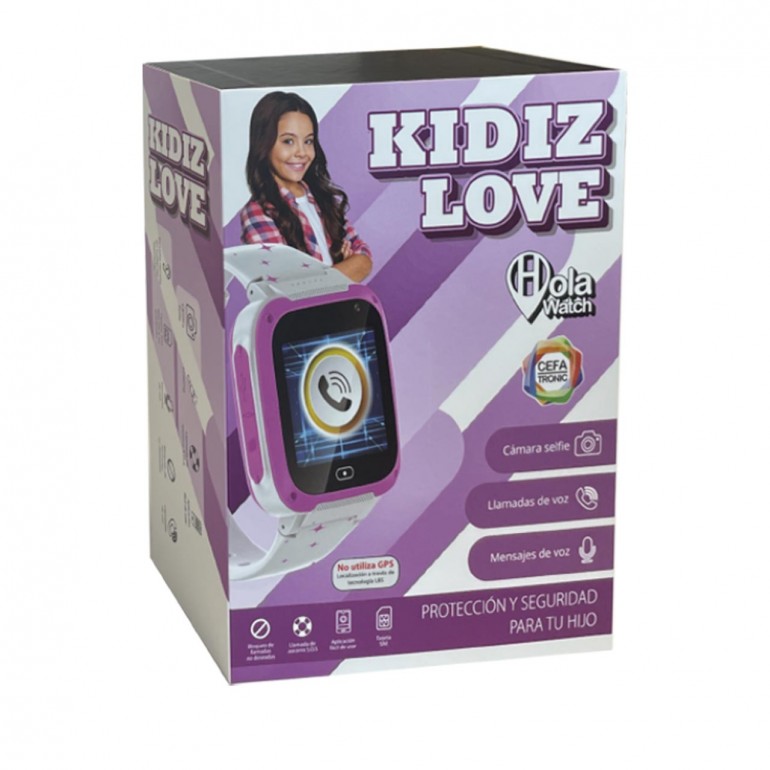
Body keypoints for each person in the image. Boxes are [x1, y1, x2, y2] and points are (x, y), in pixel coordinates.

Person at [240, 91, 372, 283]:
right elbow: (287, 285)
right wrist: (345, 266)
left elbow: (364, 259)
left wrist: (320, 277)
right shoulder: (258, 212)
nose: (302, 152)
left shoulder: (321, 198)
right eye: (288, 141)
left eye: (308, 141)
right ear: (264, 144)